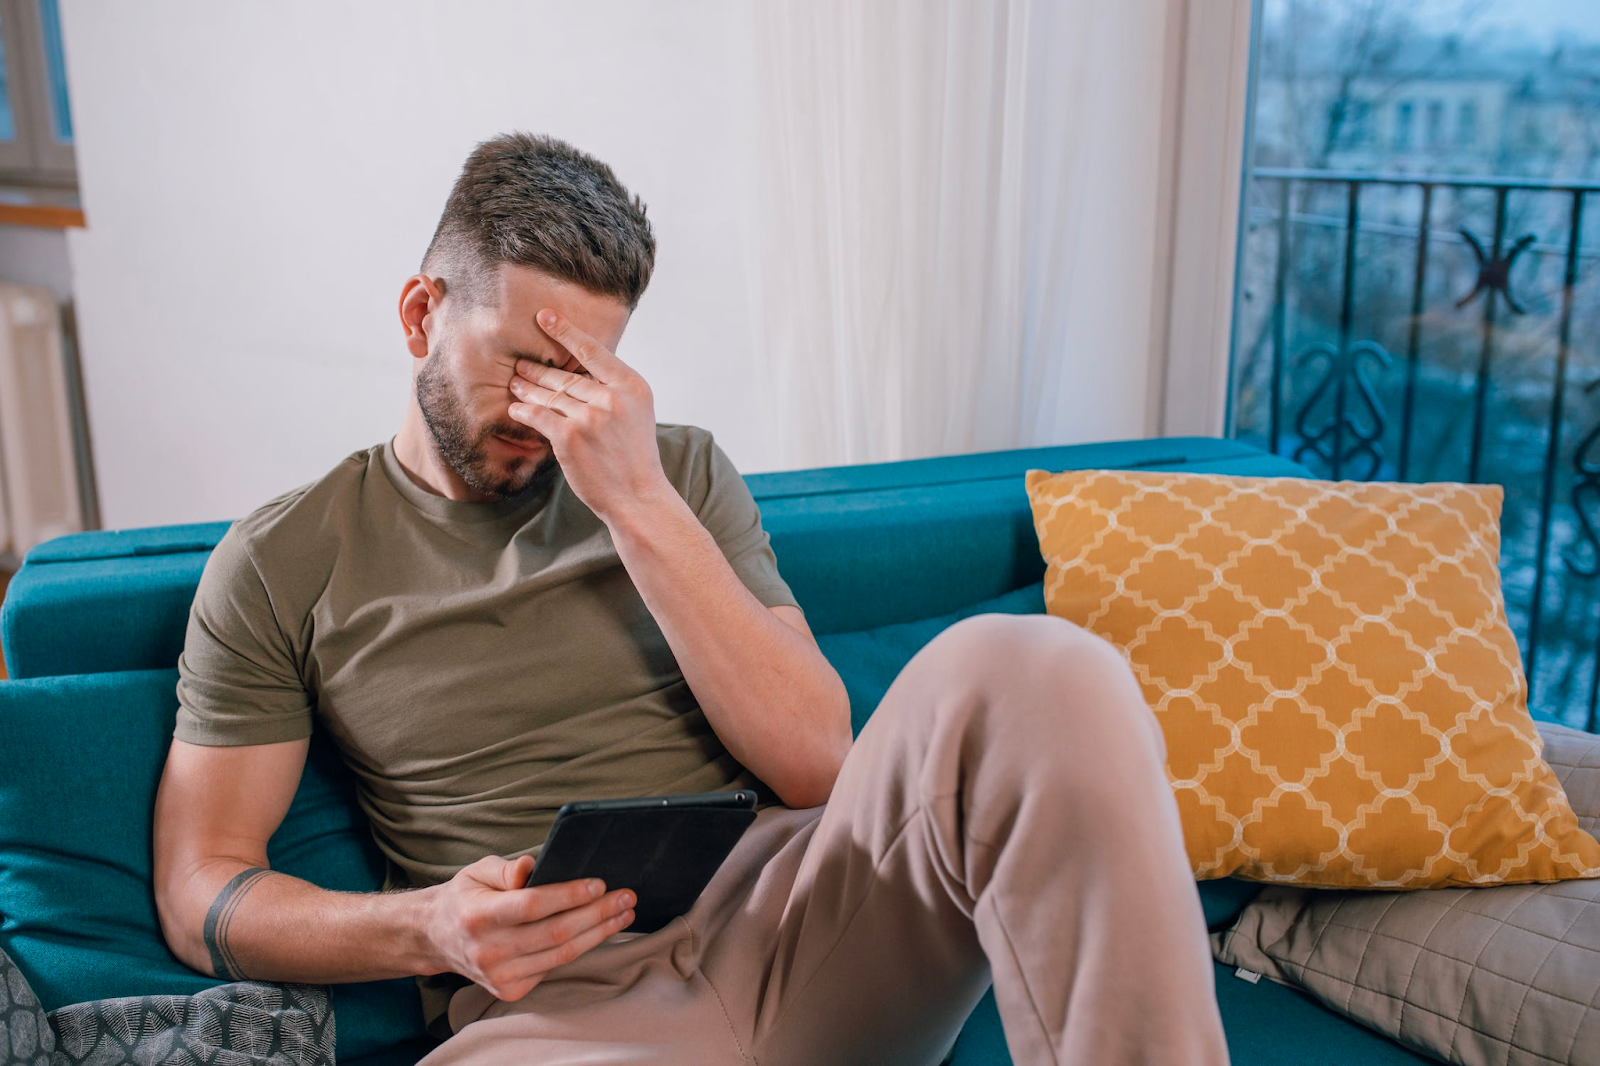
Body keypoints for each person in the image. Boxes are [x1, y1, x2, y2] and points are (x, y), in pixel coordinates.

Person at [150, 131, 1229, 1066]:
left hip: (805, 930)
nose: (549, 409)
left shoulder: (675, 476)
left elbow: (816, 760)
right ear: (421, 313)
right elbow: (202, 889)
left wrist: (635, 504)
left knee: (1036, 665)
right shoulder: (286, 558)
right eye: (523, 363)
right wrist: (428, 925)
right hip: (550, 1015)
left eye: (584, 371)